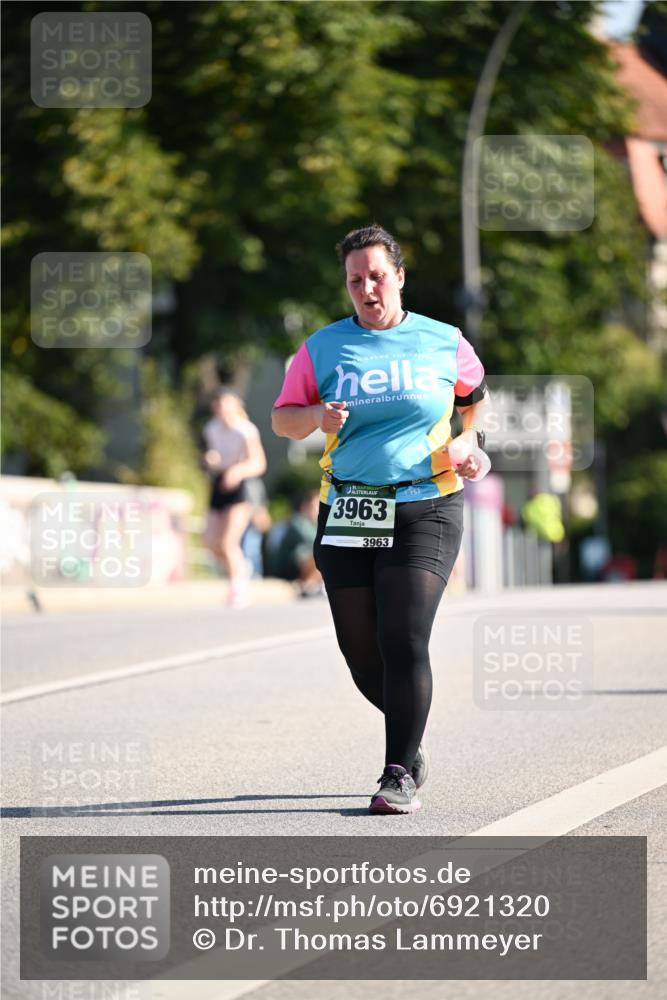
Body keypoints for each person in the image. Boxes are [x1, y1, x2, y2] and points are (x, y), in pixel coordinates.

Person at [272, 224, 488, 815]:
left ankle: (397, 772)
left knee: (403, 635)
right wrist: (316, 414)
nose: (367, 288)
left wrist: (470, 443)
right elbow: (282, 420)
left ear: (399, 277)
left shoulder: (444, 341)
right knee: (361, 652)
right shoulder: (321, 348)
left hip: (427, 504)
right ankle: (411, 742)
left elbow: (474, 401)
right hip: (348, 507)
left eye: (376, 276)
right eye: (355, 280)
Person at [202, 388, 267, 607]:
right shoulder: (211, 428)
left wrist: (237, 471)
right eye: (218, 405)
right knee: (211, 542)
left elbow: (258, 463)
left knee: (229, 541)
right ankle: (241, 567)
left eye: (225, 404)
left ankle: (238, 588)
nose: (221, 409)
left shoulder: (246, 430)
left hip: (241, 487)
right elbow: (215, 457)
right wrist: (212, 460)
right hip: (220, 482)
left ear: (236, 405)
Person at [266, 488, 323, 596]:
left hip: (299, 564)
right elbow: (315, 541)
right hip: (287, 566)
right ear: (305, 506)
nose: (319, 509)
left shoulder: (314, 524)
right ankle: (308, 585)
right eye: (316, 505)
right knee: (321, 556)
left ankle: (313, 585)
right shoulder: (298, 522)